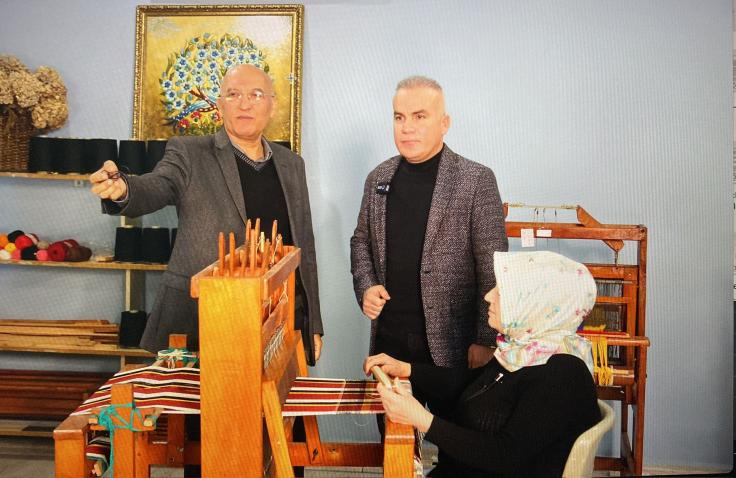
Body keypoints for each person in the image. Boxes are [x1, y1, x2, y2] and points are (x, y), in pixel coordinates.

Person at [89, 64, 323, 365]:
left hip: (277, 316)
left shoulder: (292, 164)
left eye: (256, 94)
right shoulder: (190, 153)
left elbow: (305, 247)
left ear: (272, 105)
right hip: (201, 317)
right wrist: (123, 189)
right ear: (220, 105)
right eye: (233, 94)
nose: (244, 103)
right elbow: (158, 186)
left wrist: (313, 325)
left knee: (273, 396)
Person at [364, 250, 602, 478]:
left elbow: (506, 455)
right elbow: (471, 382)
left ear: (535, 302)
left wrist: (421, 419)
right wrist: (406, 368)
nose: (488, 296)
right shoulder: (523, 351)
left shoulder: (563, 374)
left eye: (501, 291)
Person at [350, 75, 508, 376]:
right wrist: (366, 286)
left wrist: (486, 339)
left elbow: (493, 264)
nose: (407, 127)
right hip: (389, 340)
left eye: (419, 116)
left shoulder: (476, 180)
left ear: (444, 123)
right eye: (399, 117)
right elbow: (361, 241)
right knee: (390, 410)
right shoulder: (378, 178)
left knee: (447, 412)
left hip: (453, 349)